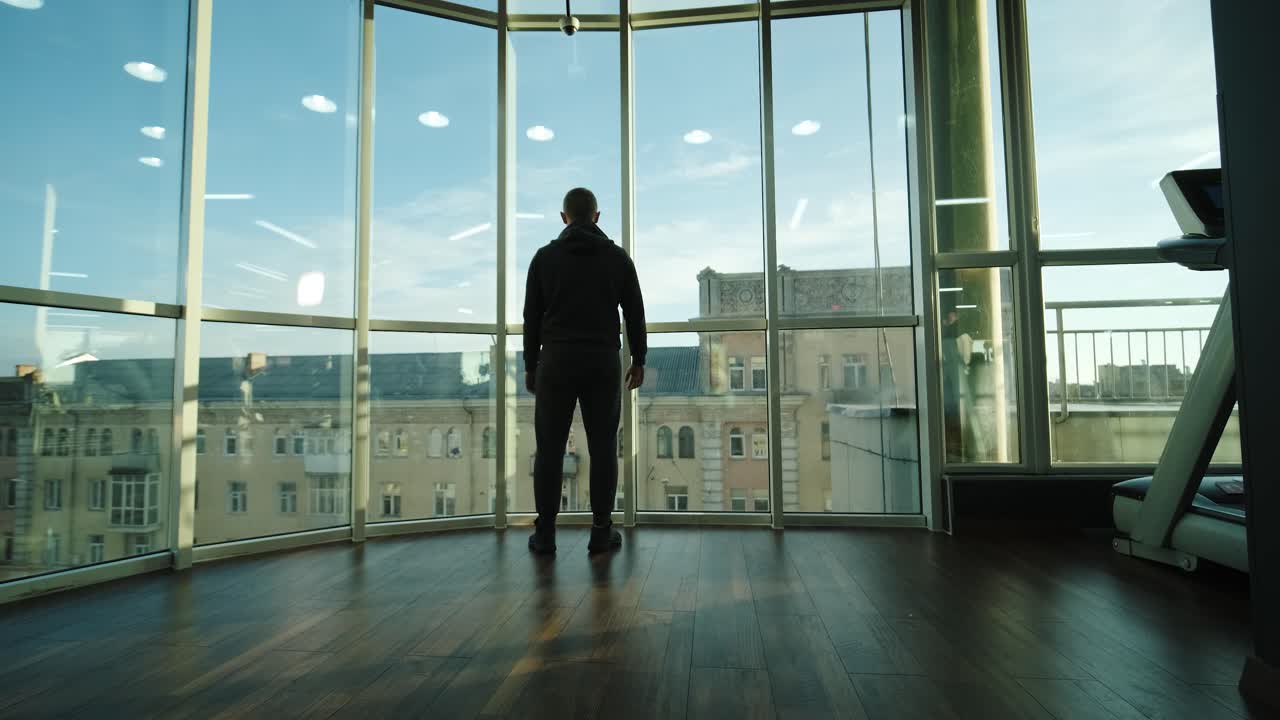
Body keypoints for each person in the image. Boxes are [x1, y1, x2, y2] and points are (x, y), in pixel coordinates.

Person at [523, 188, 646, 555]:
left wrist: (531, 365)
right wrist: (638, 358)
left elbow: (532, 318)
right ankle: (600, 531)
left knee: (549, 449)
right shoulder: (617, 258)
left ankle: (545, 533)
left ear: (564, 217)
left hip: (556, 361)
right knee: (603, 447)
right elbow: (634, 313)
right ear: (597, 216)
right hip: (602, 361)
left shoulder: (544, 259)